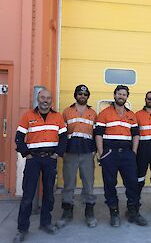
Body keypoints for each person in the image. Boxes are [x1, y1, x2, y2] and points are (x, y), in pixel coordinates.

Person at [13, 89, 67, 243]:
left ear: (51, 101)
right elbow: (19, 138)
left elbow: (63, 139)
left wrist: (57, 154)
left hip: (50, 159)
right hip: (33, 160)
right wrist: (26, 154)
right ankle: (22, 229)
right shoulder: (28, 116)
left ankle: (46, 223)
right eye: (42, 97)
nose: (45, 100)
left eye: (48, 98)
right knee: (28, 195)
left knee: (49, 194)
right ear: (38, 98)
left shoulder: (57, 117)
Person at [94, 85, 147, 227]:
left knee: (132, 183)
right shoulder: (104, 113)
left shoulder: (132, 115)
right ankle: (114, 212)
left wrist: (134, 152)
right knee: (110, 184)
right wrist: (101, 154)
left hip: (127, 154)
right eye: (119, 94)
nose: (121, 96)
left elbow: (136, 134)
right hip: (110, 153)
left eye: (124, 94)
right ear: (114, 95)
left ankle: (133, 211)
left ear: (127, 97)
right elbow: (98, 134)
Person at [56, 85, 97, 229]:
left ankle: (89, 212)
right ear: (75, 95)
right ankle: (67, 211)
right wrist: (62, 151)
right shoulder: (67, 112)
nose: (82, 96)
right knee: (69, 184)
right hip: (70, 152)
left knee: (88, 184)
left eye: (85, 94)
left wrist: (95, 151)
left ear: (88, 96)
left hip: (87, 153)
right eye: (80, 93)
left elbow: (96, 134)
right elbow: (61, 134)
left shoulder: (93, 112)